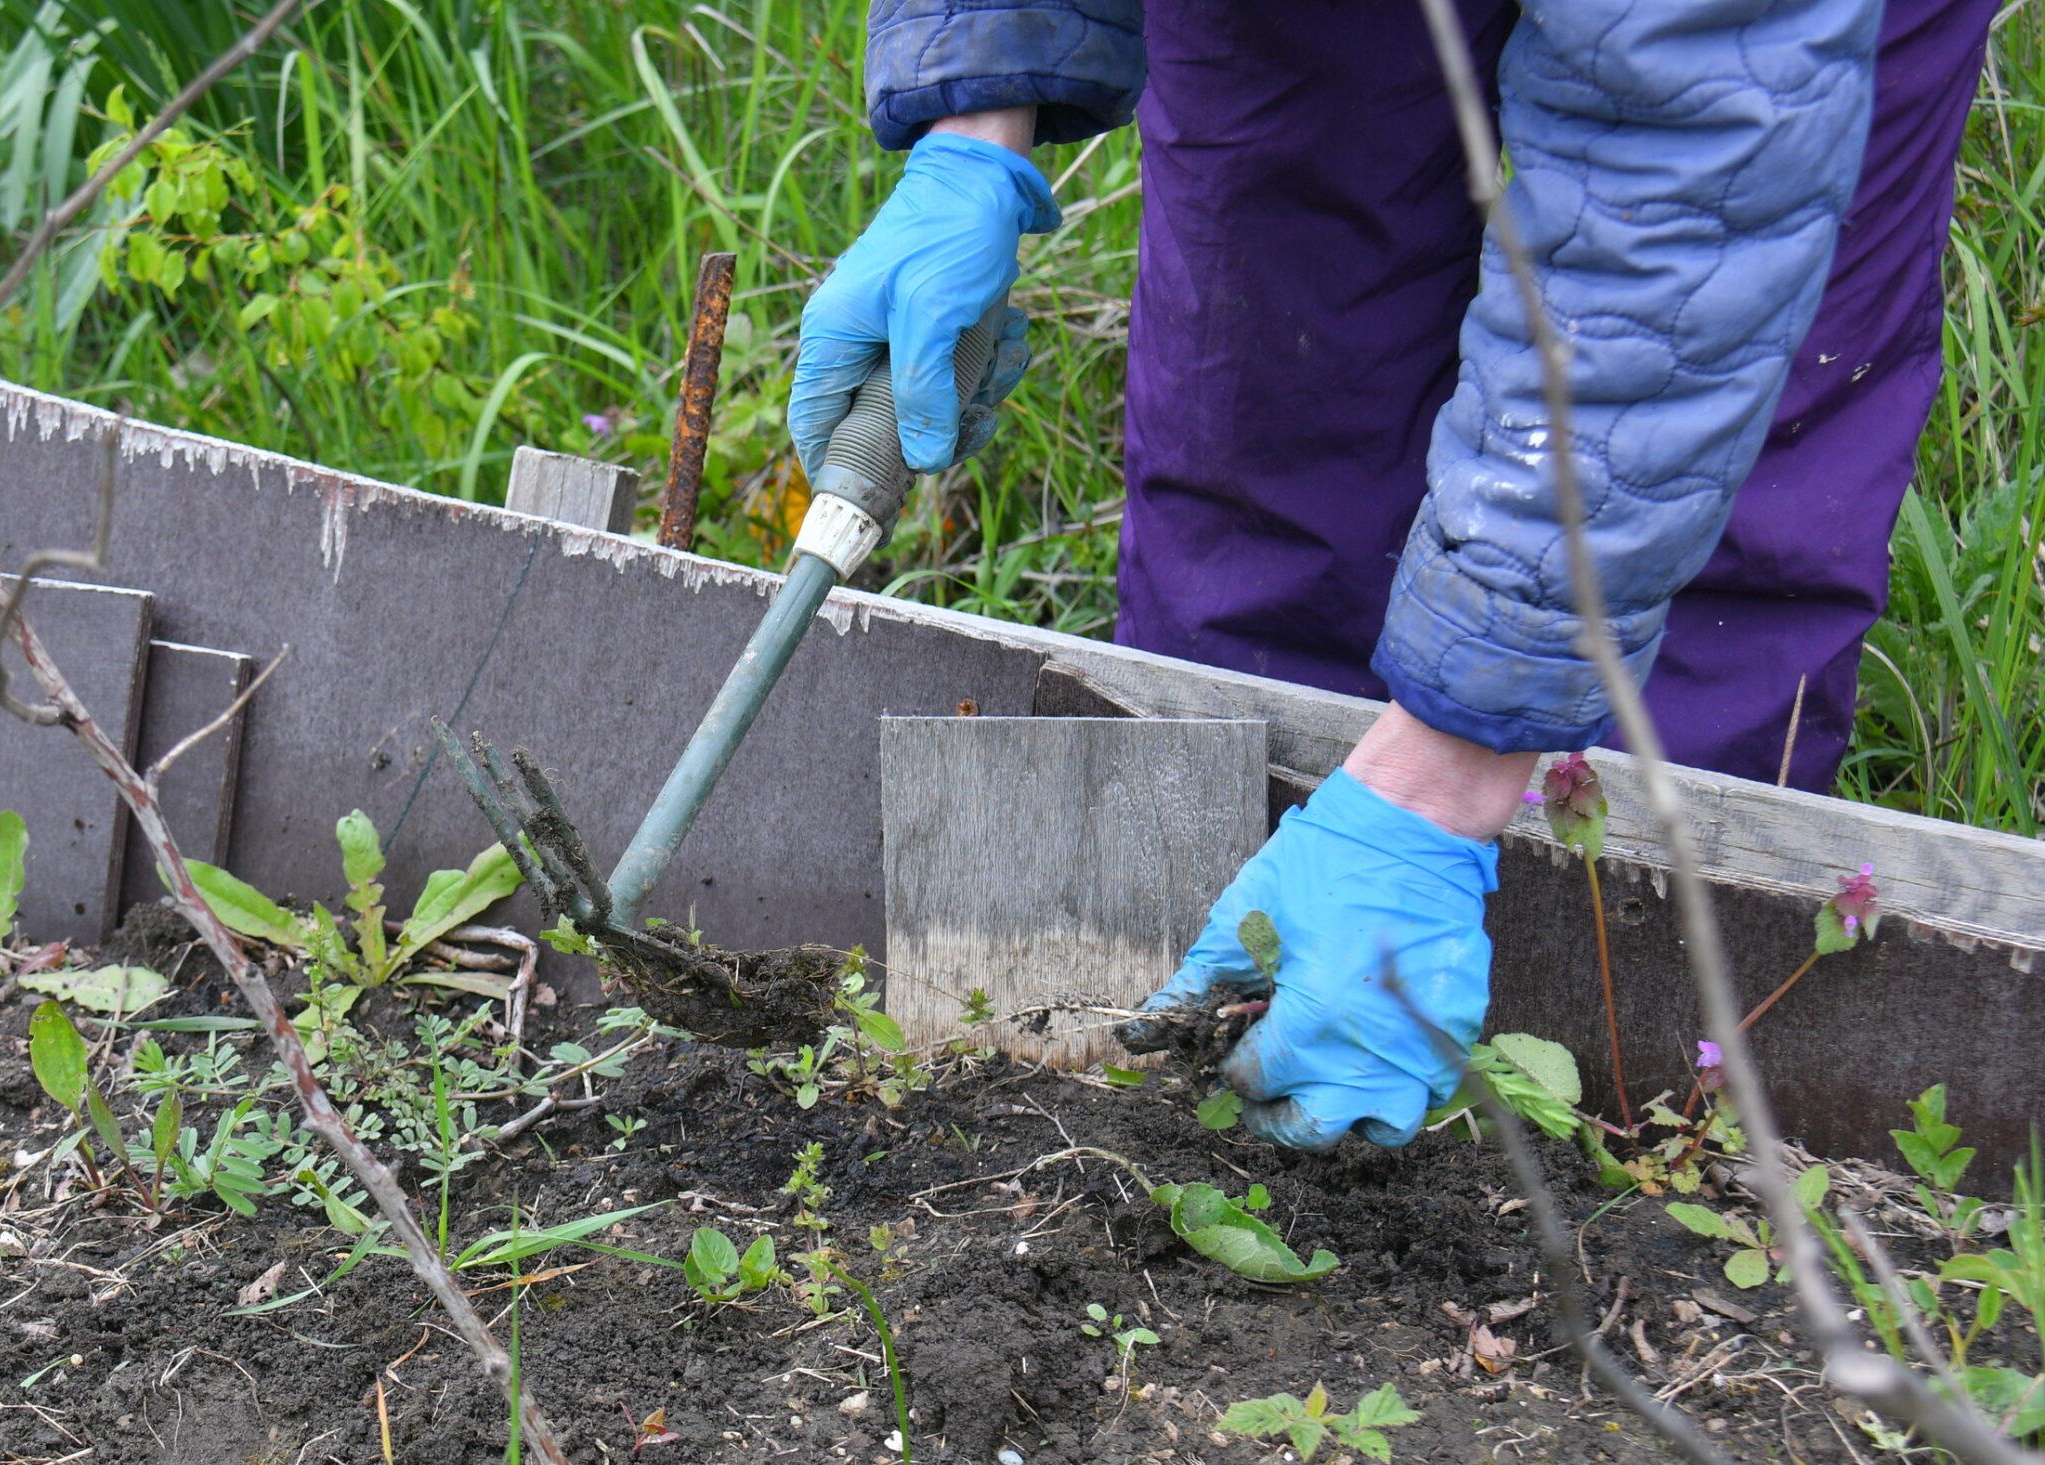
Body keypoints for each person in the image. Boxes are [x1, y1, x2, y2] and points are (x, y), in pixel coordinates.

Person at [791, 0, 1997, 1152]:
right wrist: (978, 122)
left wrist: (1441, 791)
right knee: (1279, 368)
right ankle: (1259, 1004)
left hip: (1743, 64)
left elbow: (1698, 216)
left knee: (1726, 454)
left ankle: (1629, 1071)